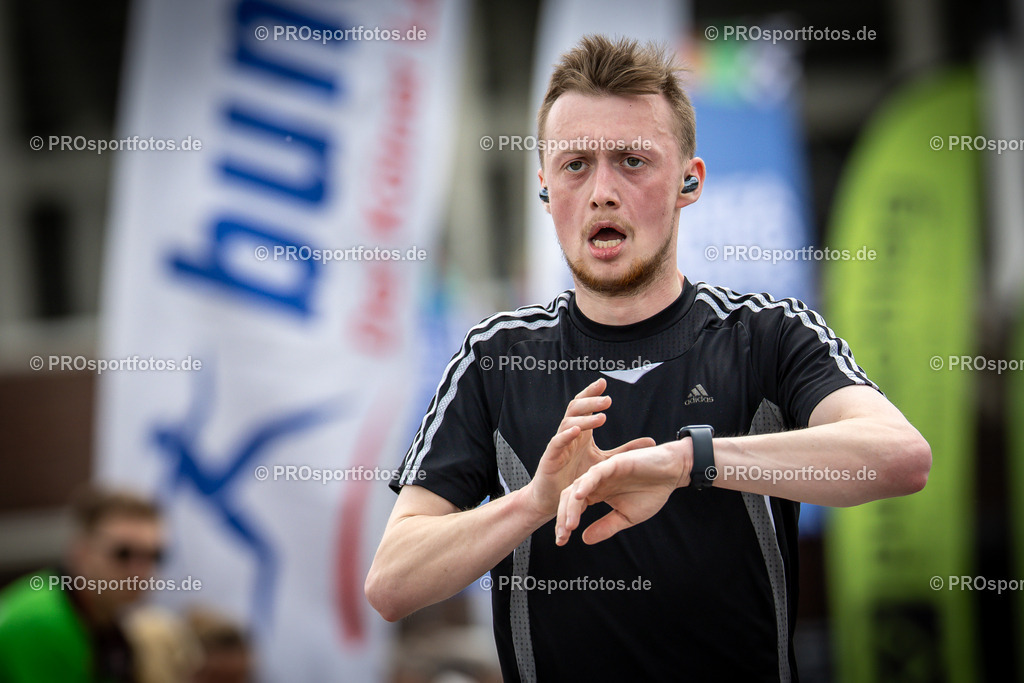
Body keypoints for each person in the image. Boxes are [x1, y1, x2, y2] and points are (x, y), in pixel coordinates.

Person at [365, 34, 931, 682]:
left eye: (632, 161)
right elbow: (391, 582)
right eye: (576, 164)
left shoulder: (767, 335)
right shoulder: (495, 358)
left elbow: (901, 457)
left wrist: (687, 460)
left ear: (690, 180)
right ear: (545, 188)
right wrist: (535, 500)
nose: (602, 190)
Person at [0, 486, 165, 682]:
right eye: (123, 554)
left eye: (155, 556)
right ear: (81, 551)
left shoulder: (102, 623)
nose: (140, 571)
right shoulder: (39, 621)